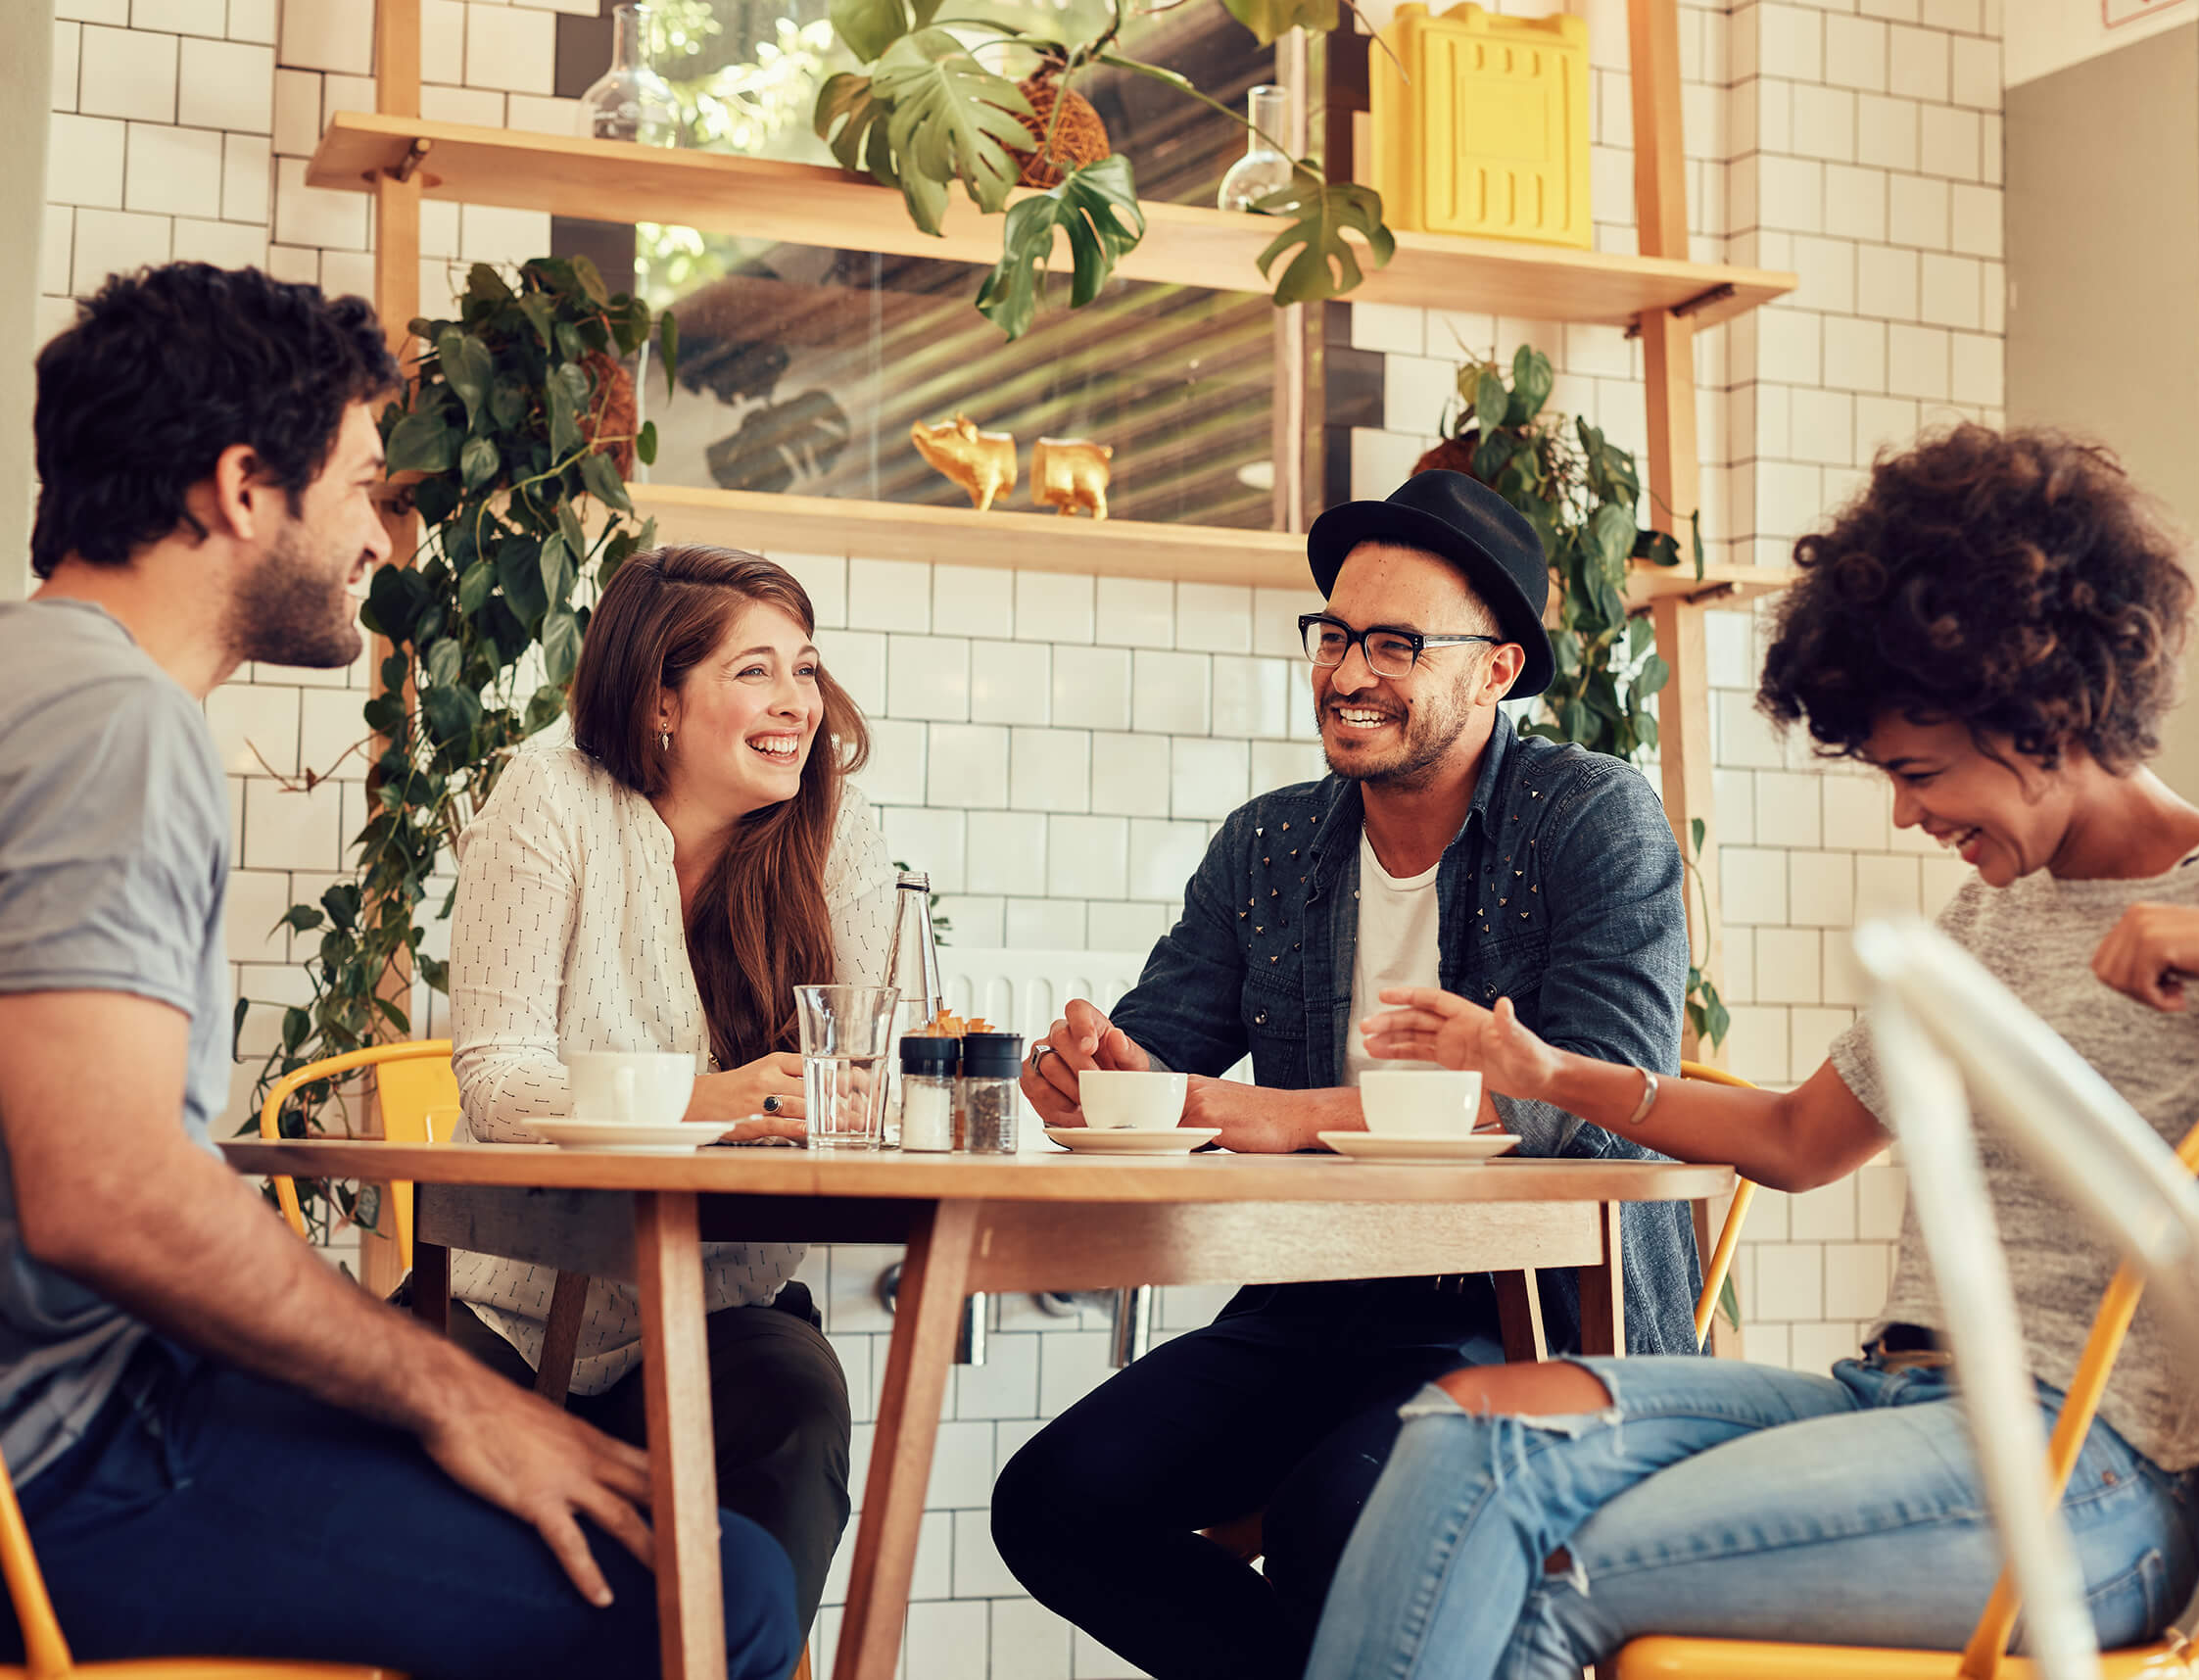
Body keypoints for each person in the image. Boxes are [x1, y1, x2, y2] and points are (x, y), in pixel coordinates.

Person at [1300, 424, 2199, 1680]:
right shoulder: (1995, 906)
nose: (1905, 811)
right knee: (1459, 1439)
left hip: (2090, 1477)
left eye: (1919, 771)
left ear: (2046, 716)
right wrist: (1550, 1073)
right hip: (1893, 1399)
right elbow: (1794, 1140)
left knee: (1564, 1560)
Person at [0, 264, 797, 1676]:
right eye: (365, 485)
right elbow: (108, 1193)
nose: (384, 536)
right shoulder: (118, 728)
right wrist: (452, 1393)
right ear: (245, 485)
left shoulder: (37, 683)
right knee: (713, 1585)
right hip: (66, 1459)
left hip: (91, 1402)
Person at [991, 469, 1700, 1680]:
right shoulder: (1268, 841)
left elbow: (1592, 1092)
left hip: (1528, 1309)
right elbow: (1164, 1045)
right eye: (1333, 633)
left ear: (1498, 670)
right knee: (1056, 1500)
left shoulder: (1590, 817)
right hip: (1313, 1296)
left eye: (1395, 642)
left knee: (1342, 1516)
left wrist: (1286, 1116)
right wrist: (1096, 1073)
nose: (1347, 671)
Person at [440, 542, 888, 1642]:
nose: (799, 702)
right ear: (659, 698)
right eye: (755, 670)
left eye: (807, 666)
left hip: (719, 1309)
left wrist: (858, 1102)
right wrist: (717, 1099)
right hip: (517, 1306)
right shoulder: (551, 796)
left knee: (797, 1398)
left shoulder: (840, 835)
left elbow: (865, 1081)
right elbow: (500, 1079)